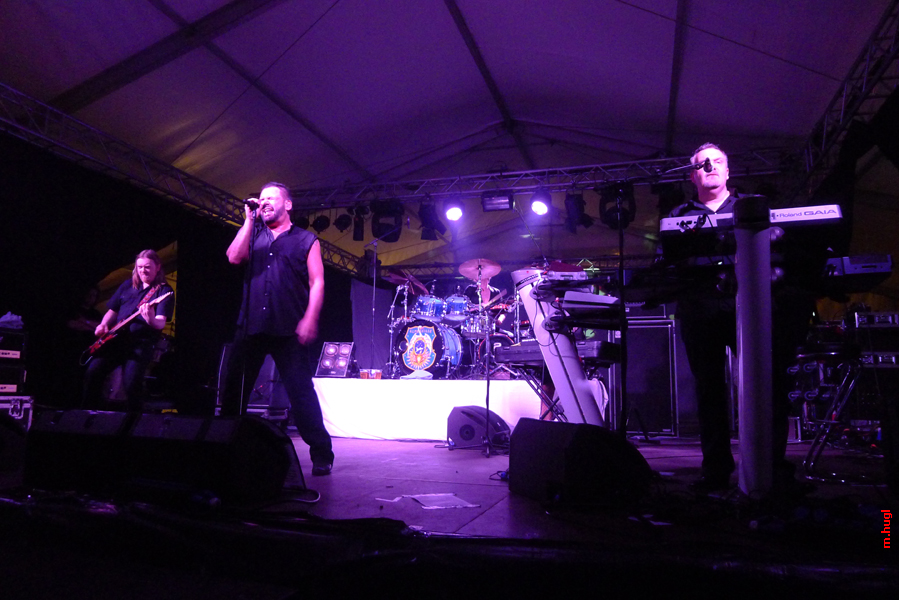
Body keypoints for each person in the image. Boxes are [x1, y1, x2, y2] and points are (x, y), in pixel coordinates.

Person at [669, 143, 813, 495]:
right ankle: (716, 471)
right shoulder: (678, 214)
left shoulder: (752, 206)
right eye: (703, 164)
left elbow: (780, 250)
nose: (711, 167)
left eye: (718, 162)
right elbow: (670, 263)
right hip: (701, 309)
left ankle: (771, 467)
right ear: (692, 176)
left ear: (729, 171)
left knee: (765, 384)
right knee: (709, 390)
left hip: (750, 306)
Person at [223, 182, 334, 476]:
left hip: (288, 327)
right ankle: (225, 447)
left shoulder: (306, 239)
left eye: (271, 197)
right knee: (235, 389)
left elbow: (317, 282)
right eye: (261, 198)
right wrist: (248, 220)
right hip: (251, 326)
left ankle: (322, 453)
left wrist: (310, 317)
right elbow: (234, 257)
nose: (264, 202)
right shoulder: (253, 235)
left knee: (301, 393)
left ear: (288, 204)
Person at [83, 250, 174, 412]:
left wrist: (150, 318)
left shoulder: (164, 291)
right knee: (93, 372)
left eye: (147, 267)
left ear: (158, 267)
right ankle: (88, 415)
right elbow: (113, 310)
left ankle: (134, 420)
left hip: (140, 345)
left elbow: (160, 323)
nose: (143, 270)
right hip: (117, 340)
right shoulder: (127, 285)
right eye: (140, 267)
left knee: (131, 384)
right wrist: (103, 324)